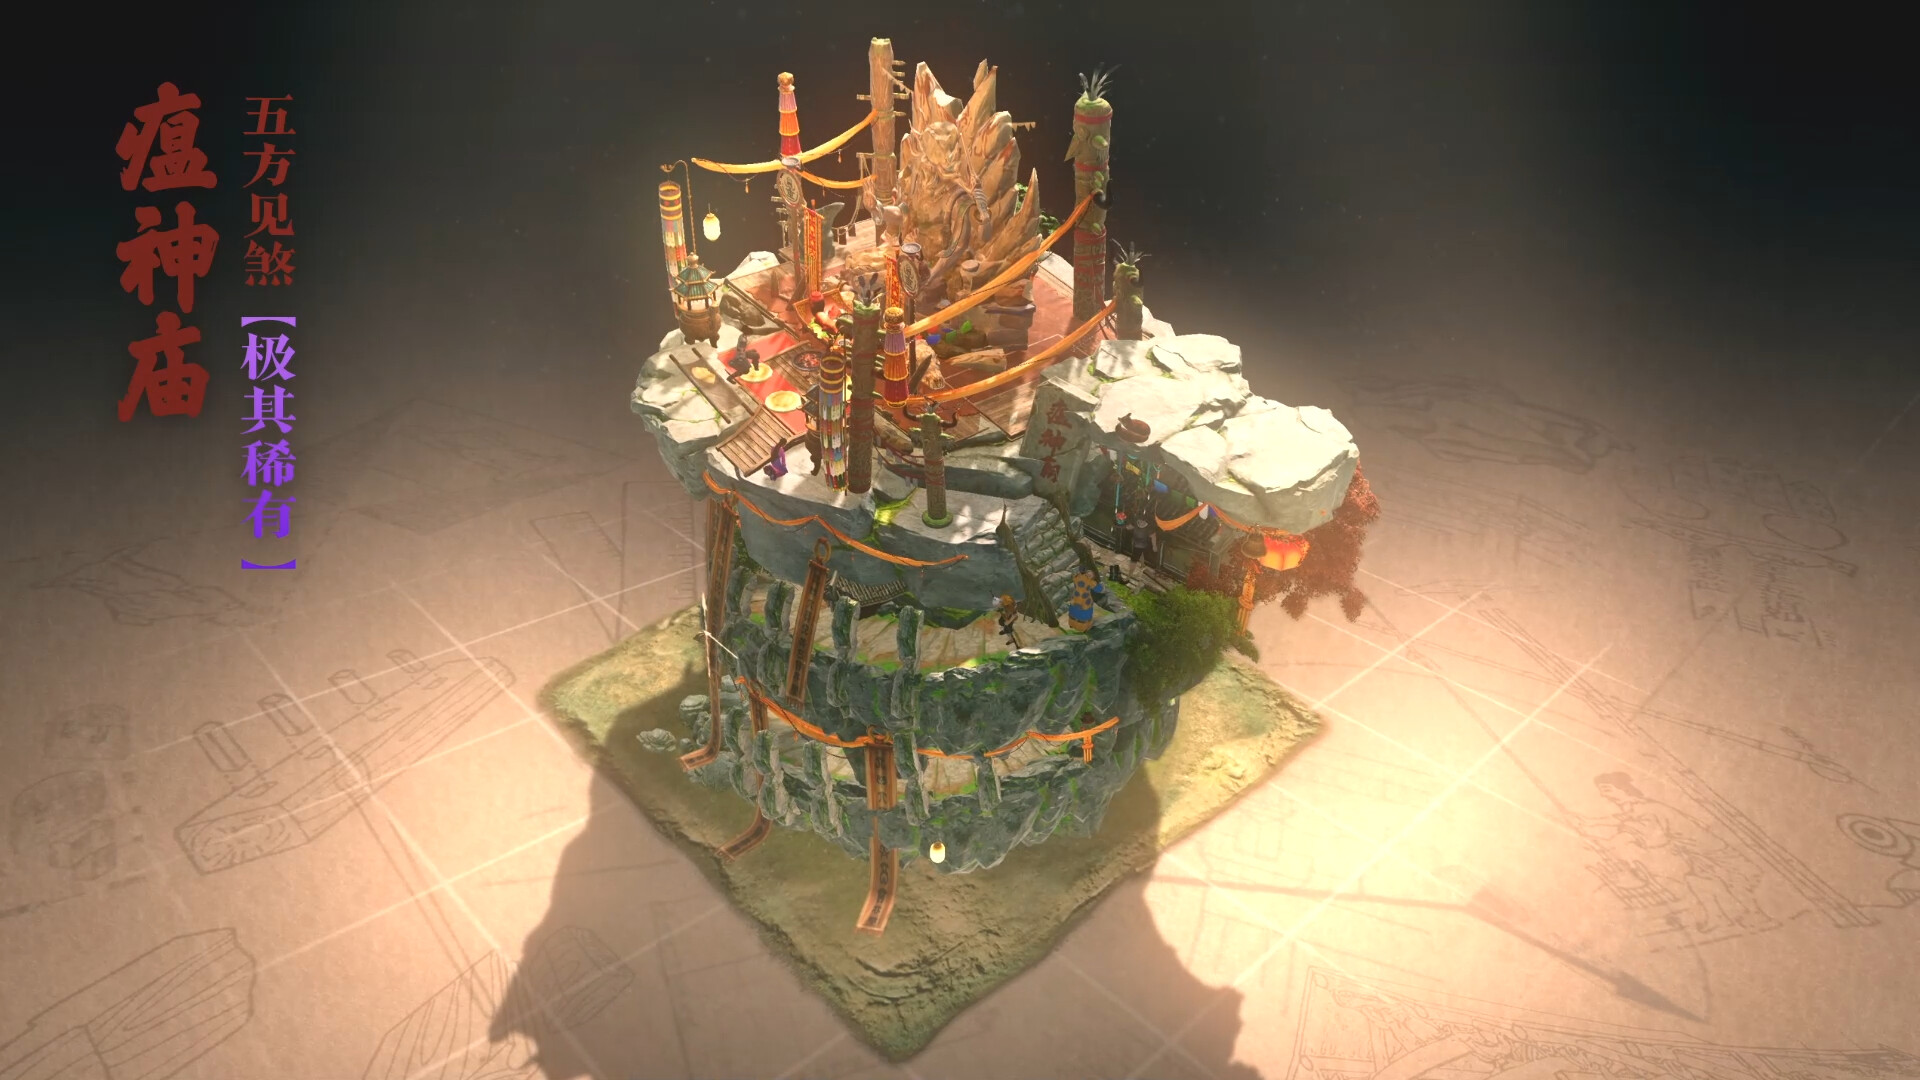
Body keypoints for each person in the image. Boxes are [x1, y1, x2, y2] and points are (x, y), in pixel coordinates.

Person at [1572, 772, 1773, 934]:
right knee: (1697, 881)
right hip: (1694, 853)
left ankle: (1755, 917)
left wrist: (1602, 842)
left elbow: (1644, 836)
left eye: (1607, 790)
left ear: (1622, 788)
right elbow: (1621, 820)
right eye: (1602, 791)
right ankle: (1717, 918)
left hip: (1711, 851)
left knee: (1731, 881)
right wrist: (1589, 823)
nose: (1604, 795)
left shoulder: (1646, 809)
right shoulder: (1636, 807)